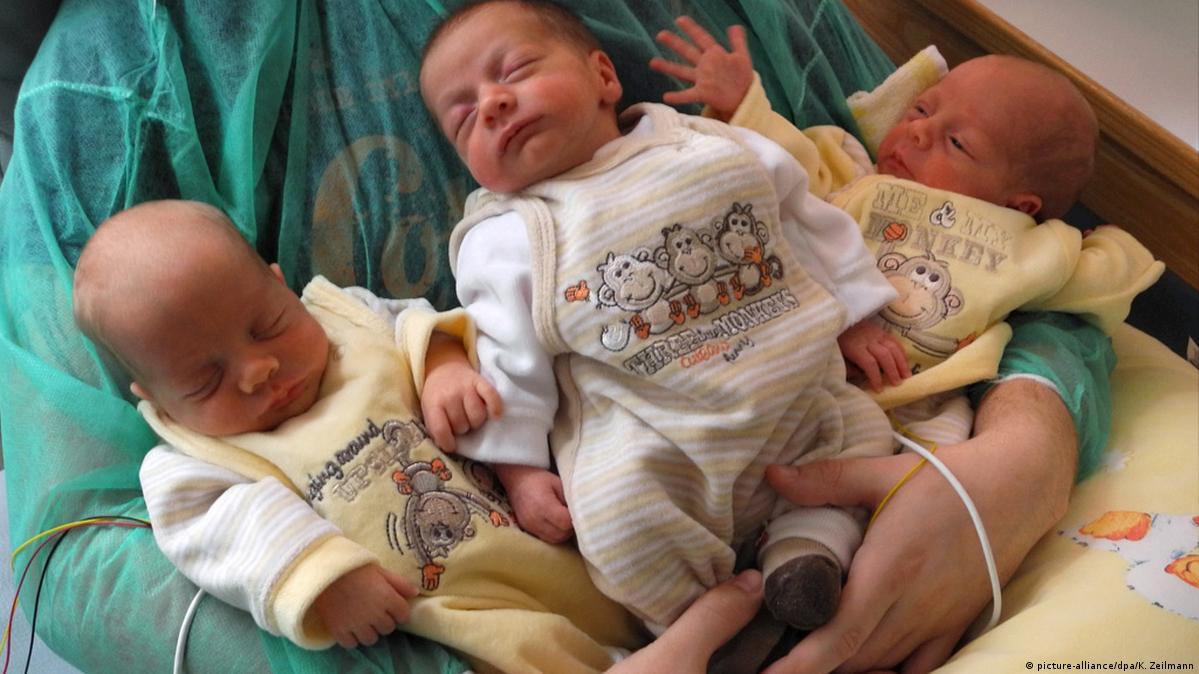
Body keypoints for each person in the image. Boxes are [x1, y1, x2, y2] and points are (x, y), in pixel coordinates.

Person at [648, 17, 1164, 673]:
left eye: (956, 141)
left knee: (929, 468)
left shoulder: (1035, 249)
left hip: (921, 405)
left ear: (1021, 202)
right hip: (804, 375)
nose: (917, 131)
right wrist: (741, 100)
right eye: (921, 109)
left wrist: (1100, 244)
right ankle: (724, 587)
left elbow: (1113, 280)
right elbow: (784, 168)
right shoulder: (853, 170)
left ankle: (806, 588)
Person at [420, 0, 902, 652]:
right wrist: (520, 475)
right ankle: (711, 631)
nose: (492, 104)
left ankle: (807, 553)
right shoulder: (507, 235)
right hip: (659, 448)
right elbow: (505, 359)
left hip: (796, 397)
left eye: (515, 71)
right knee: (617, 522)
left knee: (863, 431)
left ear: (603, 76)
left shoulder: (709, 145)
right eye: (463, 117)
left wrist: (854, 313)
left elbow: (803, 219)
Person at [71, 199, 645, 674]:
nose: (257, 371)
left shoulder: (346, 316)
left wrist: (443, 367)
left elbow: (418, 322)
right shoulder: (191, 459)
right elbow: (219, 527)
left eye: (268, 326)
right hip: (472, 614)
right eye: (205, 381)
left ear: (280, 285)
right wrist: (323, 576)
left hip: (554, 522)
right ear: (153, 398)